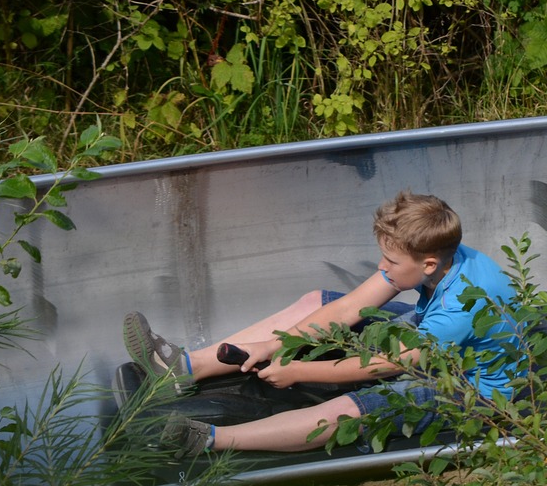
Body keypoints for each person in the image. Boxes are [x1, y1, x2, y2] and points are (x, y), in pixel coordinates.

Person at [122, 191, 520, 458]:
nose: (383, 268)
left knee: (355, 408)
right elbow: (349, 308)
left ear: (428, 264)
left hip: (471, 391)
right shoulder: (435, 251)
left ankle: (206, 441)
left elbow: (381, 364)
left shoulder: (460, 307)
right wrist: (273, 345)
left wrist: (298, 370)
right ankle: (184, 368)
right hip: (432, 343)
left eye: (391, 263)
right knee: (318, 301)